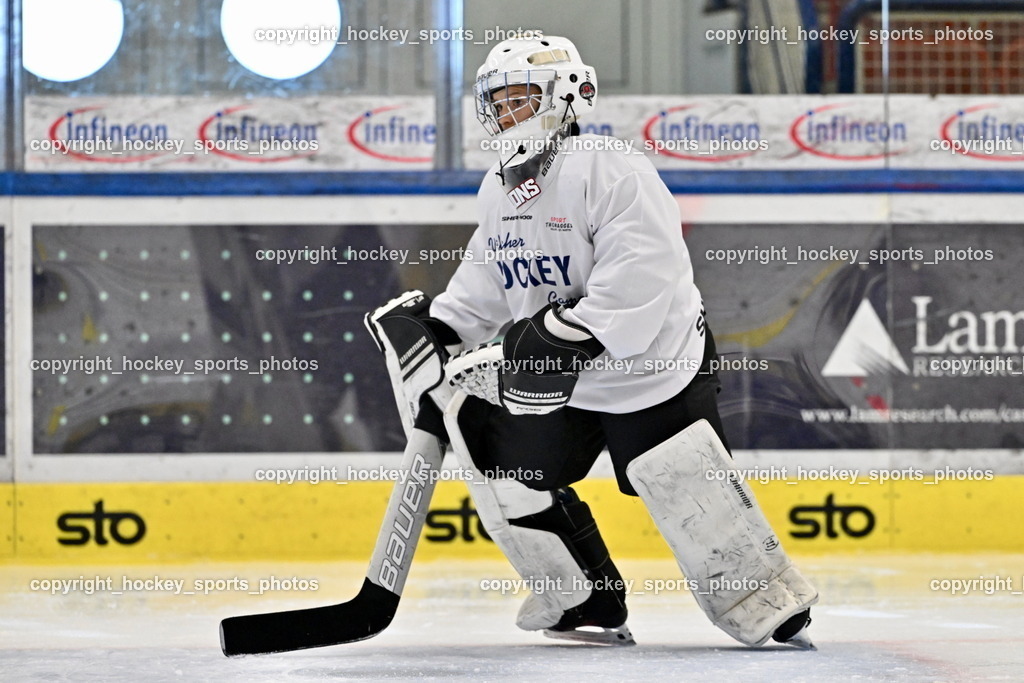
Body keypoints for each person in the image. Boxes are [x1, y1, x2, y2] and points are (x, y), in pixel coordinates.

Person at [374, 34, 817, 649]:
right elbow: (491, 277)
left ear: (568, 95)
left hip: (653, 371)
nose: (505, 113)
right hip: (565, 383)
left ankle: (759, 593)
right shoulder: (498, 189)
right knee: (482, 434)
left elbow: (638, 283)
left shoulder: (612, 168)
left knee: (679, 478)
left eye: (520, 98)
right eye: (497, 102)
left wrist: (559, 337)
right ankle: (580, 593)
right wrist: (441, 329)